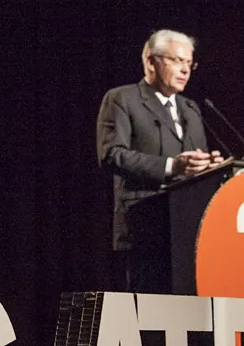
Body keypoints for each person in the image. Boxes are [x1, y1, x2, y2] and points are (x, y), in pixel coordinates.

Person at [96, 29, 226, 291]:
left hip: (188, 229)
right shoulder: (123, 99)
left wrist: (210, 167)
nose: (185, 70)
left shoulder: (190, 108)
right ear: (150, 61)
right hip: (145, 225)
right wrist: (172, 166)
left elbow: (194, 163)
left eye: (189, 63)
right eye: (177, 61)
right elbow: (112, 154)